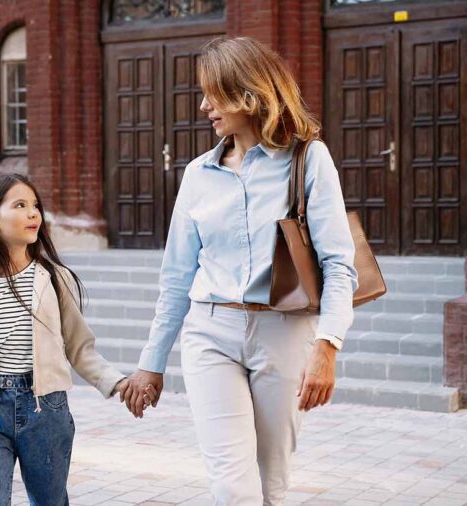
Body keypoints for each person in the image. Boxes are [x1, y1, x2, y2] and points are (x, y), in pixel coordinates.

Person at [122, 37, 358, 505]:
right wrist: (152, 363)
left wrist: (327, 346)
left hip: (285, 333)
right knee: (233, 483)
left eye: (214, 93)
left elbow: (338, 265)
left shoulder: (308, 159)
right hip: (210, 332)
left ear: (248, 94)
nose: (205, 105)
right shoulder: (197, 174)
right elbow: (176, 278)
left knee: (270, 484)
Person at [0, 173, 156, 505]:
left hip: (46, 409)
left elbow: (79, 348)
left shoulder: (57, 280)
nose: (33, 213)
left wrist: (118, 383)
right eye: (20, 205)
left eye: (35, 205)